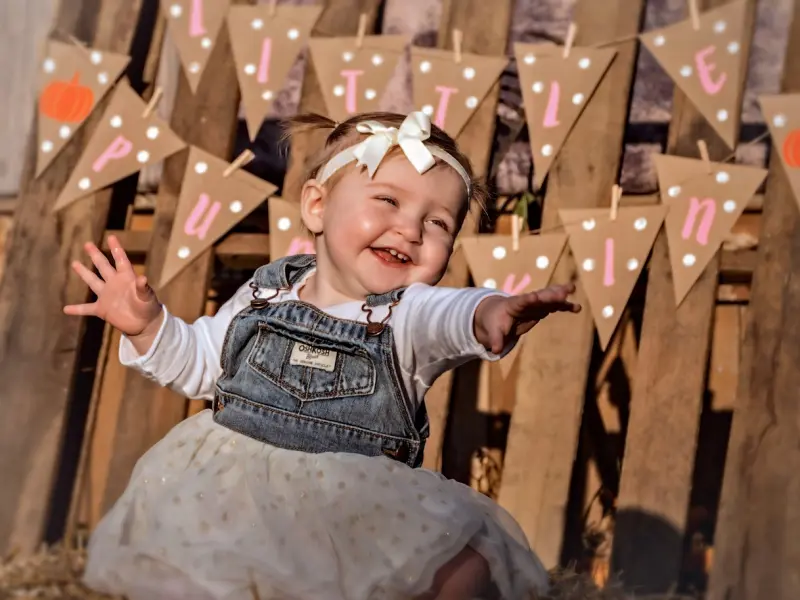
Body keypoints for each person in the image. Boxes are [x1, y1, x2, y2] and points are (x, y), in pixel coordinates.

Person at [65, 111, 581, 600]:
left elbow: (449, 313)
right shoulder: (267, 292)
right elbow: (204, 363)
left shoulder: (405, 314)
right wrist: (148, 327)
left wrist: (490, 313)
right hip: (234, 502)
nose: (410, 229)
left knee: (465, 572)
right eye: (387, 200)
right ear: (317, 205)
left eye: (439, 223)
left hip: (356, 514)